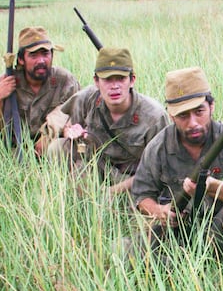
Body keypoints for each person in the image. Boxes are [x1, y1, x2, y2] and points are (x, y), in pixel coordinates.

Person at [130, 66, 223, 261]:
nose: (193, 122)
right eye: (183, 115)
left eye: (199, 111)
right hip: (180, 229)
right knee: (127, 251)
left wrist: (212, 187)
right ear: (171, 115)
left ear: (212, 107)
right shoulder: (159, 146)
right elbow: (142, 195)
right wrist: (161, 212)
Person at [49, 47, 170, 194]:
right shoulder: (86, 98)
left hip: (134, 179)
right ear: (96, 81)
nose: (114, 86)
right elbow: (67, 122)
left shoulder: (154, 117)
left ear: (132, 80)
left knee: (135, 206)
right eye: (107, 79)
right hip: (98, 165)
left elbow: (157, 170)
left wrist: (111, 192)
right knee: (57, 148)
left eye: (121, 78)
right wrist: (69, 131)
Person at [0, 26, 80, 156]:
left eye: (45, 54)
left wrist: (48, 135)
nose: (41, 61)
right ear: (21, 59)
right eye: (33, 55)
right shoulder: (6, 81)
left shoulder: (64, 80)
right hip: (16, 150)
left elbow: (78, 114)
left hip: (52, 150)